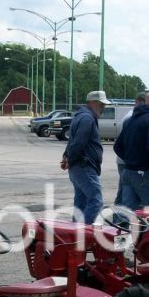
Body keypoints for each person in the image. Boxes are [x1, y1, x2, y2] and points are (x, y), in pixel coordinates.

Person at [114, 88, 149, 208]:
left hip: (127, 172)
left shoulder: (130, 120)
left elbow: (117, 146)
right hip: (145, 173)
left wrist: (131, 160)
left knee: (130, 214)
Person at [61, 90, 108, 223]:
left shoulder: (80, 116)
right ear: (93, 103)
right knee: (96, 200)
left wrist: (66, 156)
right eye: (101, 104)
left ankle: (75, 235)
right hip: (84, 167)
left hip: (78, 167)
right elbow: (78, 143)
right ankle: (84, 235)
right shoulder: (87, 118)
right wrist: (69, 158)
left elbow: (72, 141)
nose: (103, 107)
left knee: (81, 203)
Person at [113, 92, 147, 207]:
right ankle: (120, 219)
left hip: (125, 160)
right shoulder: (132, 117)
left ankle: (120, 218)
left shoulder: (131, 115)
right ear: (138, 102)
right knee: (126, 192)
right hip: (127, 161)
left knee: (124, 190)